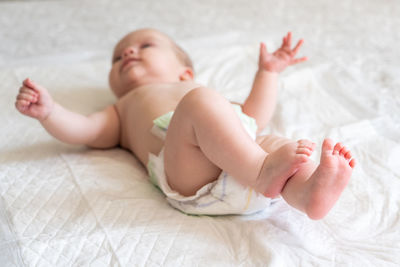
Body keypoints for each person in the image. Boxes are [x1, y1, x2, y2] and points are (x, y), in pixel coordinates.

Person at [15, 28, 355, 220]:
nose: (128, 54)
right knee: (201, 103)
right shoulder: (122, 107)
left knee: (275, 141)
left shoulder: (201, 96)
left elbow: (253, 116)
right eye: (118, 57)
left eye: (144, 46)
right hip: (190, 177)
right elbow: (83, 130)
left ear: (185, 72)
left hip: (250, 165)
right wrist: (50, 112)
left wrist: (268, 73)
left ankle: (308, 193)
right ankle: (264, 171)